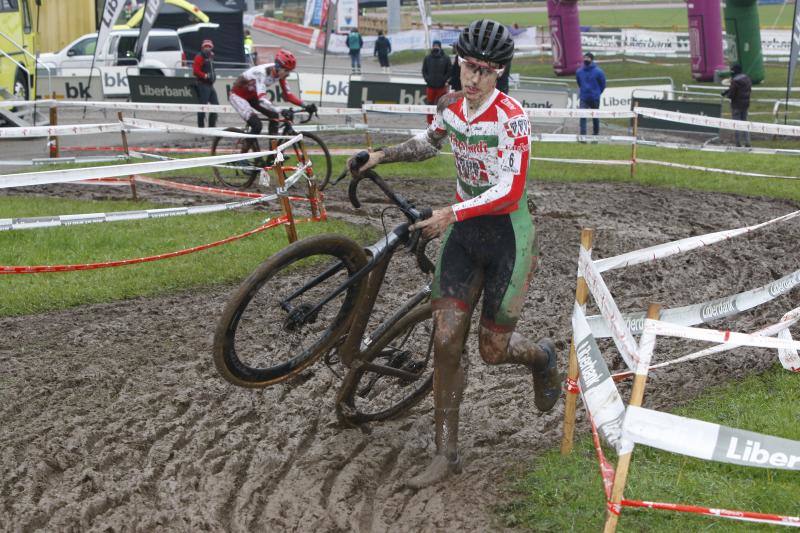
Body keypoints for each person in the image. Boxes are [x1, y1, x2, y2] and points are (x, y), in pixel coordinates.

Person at [348, 19, 561, 489]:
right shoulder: (451, 106)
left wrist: (450, 212)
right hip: (464, 234)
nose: (473, 78)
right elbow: (428, 143)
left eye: (484, 71)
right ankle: (446, 453)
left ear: (500, 73)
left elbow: (510, 190)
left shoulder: (512, 118)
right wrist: (379, 156)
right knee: (445, 343)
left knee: (492, 350)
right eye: (468, 67)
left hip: (508, 236)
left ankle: (543, 358)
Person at [228, 49, 317, 147]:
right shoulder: (262, 73)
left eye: (290, 71)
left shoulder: (280, 74)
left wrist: (305, 105)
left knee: (274, 116)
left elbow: (288, 95)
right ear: (278, 67)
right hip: (238, 96)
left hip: (252, 95)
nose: (288, 74)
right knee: (257, 125)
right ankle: (242, 157)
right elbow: (262, 99)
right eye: (286, 70)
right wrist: (281, 110)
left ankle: (273, 152)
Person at [575, 52, 606, 136]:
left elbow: (603, 85)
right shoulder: (579, 71)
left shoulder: (599, 72)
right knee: (582, 116)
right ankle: (583, 135)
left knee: (595, 116)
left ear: (592, 60)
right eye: (585, 58)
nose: (586, 59)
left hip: (594, 97)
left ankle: (596, 134)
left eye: (588, 58)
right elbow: (579, 82)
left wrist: (597, 93)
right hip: (584, 97)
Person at [722, 63, 752, 148]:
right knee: (745, 123)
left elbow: (732, 94)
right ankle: (747, 142)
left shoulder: (735, 81)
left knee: (736, 124)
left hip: (736, 105)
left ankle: (738, 143)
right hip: (745, 104)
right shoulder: (747, 78)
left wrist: (727, 94)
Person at [422, 40, 451, 124]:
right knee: (430, 104)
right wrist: (427, 79)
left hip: (441, 87)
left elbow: (449, 70)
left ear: (440, 47)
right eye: (434, 45)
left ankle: (440, 122)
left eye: (437, 46)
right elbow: (424, 70)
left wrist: (444, 79)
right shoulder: (427, 58)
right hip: (430, 86)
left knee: (441, 105)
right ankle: (429, 122)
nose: (435, 47)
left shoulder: (446, 58)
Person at [193, 39, 218, 128]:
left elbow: (212, 69)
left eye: (209, 46)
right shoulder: (199, 57)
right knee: (202, 106)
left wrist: (213, 76)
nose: (207, 48)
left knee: (216, 106)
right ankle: (201, 127)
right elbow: (195, 71)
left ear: (211, 47)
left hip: (210, 85)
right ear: (202, 47)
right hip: (202, 84)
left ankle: (212, 126)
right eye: (206, 46)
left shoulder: (211, 57)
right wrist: (206, 76)